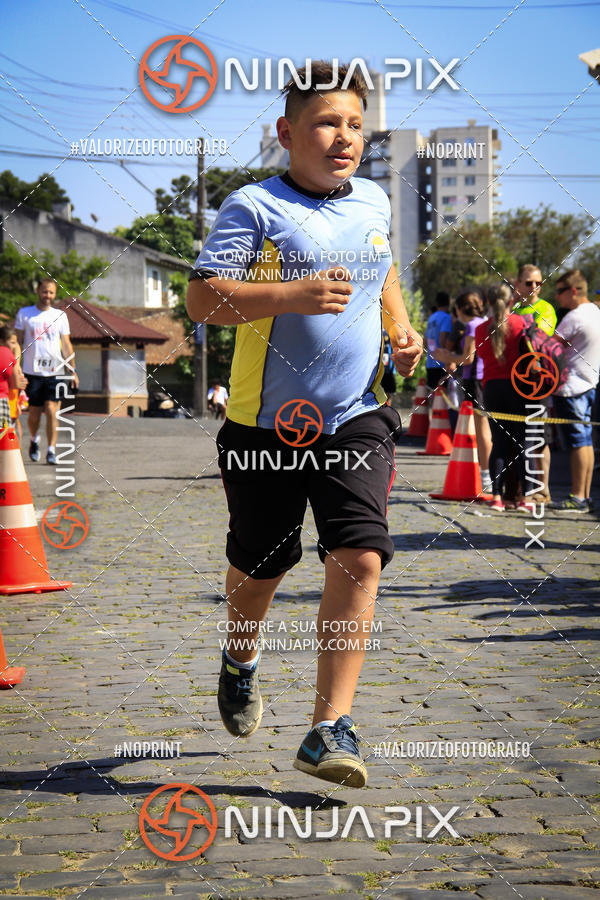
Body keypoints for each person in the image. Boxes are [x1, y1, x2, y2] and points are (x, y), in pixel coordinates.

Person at [186, 60, 422, 788]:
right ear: (286, 133)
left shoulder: (375, 200)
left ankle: (328, 727)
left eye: (356, 124)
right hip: (266, 428)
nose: (344, 136)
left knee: (362, 555)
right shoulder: (253, 207)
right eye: (326, 122)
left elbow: (381, 268)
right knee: (264, 566)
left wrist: (401, 327)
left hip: (358, 418)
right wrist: (291, 293)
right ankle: (241, 656)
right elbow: (202, 302)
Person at [475, 283, 536, 512]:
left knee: (498, 444)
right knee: (522, 443)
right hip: (517, 386)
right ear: (511, 301)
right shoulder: (521, 323)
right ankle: (526, 498)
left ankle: (497, 497)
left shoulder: (481, 329)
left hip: (491, 388)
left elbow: (481, 355)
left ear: (488, 302)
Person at [14, 279, 78, 465]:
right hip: (31, 372)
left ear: (54, 294)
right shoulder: (25, 314)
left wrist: (72, 370)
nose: (47, 296)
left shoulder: (60, 316)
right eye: (44, 292)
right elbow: (17, 343)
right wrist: (16, 369)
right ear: (38, 291)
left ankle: (51, 449)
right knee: (33, 414)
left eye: (51, 292)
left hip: (55, 372)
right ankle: (34, 440)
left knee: (52, 410)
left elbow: (66, 345)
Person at [433, 290, 492, 493]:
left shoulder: (472, 327)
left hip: (475, 379)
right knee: (482, 427)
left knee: (481, 427)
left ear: (459, 309)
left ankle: (486, 474)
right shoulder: (482, 322)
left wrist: (446, 355)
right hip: (483, 378)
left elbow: (468, 359)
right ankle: (486, 471)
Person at [552, 270, 600, 512]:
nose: (557, 297)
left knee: (577, 443)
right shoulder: (595, 312)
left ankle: (577, 497)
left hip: (571, 387)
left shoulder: (574, 317)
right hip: (590, 384)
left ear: (573, 291)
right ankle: (585, 495)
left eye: (560, 291)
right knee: (586, 442)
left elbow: (550, 346)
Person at [512, 263, 557, 502]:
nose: (534, 287)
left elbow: (537, 338)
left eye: (538, 283)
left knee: (540, 437)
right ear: (518, 284)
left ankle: (544, 489)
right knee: (519, 436)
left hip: (538, 383)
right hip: (515, 381)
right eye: (528, 283)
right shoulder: (515, 308)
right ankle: (522, 487)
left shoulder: (545, 308)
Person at [424, 292, 452, 395]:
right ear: (448, 303)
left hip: (430, 362)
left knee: (434, 398)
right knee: (443, 398)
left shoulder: (431, 318)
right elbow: (442, 339)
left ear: (437, 304)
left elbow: (425, 342)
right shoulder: (446, 317)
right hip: (442, 364)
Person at [0, 326, 26, 429]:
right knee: (6, 438)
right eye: (12, 343)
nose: (15, 346)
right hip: (3, 400)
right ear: (1, 341)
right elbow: (15, 383)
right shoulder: (6, 353)